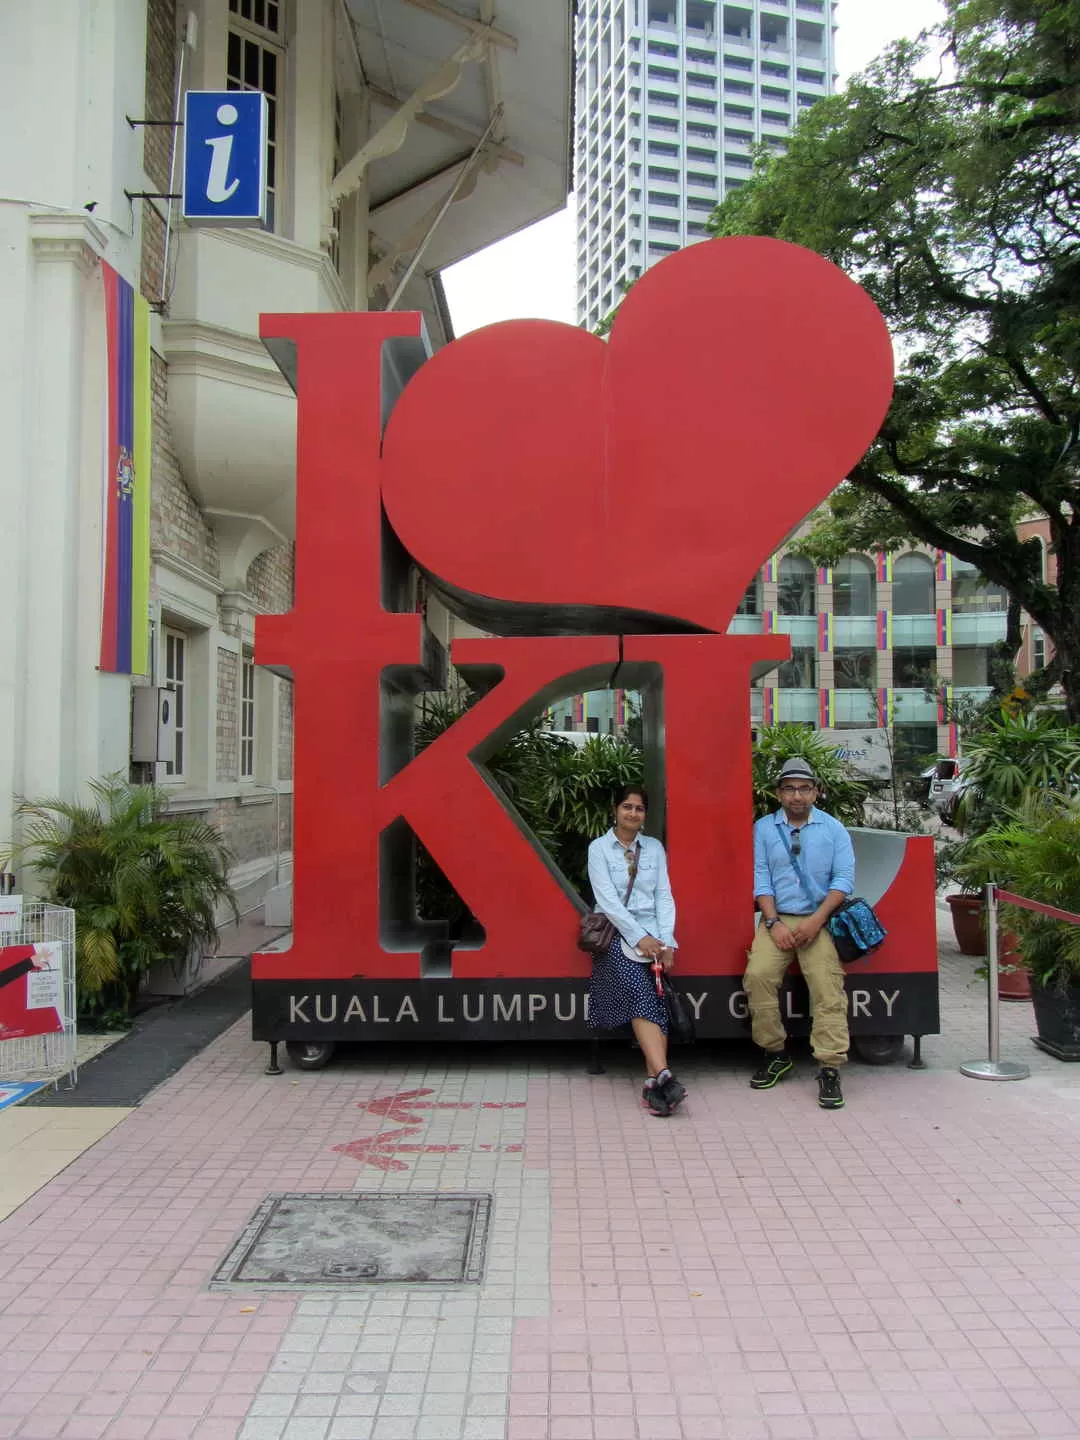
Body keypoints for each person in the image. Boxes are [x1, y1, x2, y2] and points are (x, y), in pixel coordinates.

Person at [745, 756, 855, 1110]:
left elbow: (844, 880)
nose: (797, 795)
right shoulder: (764, 828)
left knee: (827, 987)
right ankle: (775, 1053)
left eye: (804, 788)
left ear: (816, 792)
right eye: (790, 788)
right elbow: (761, 878)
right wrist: (773, 922)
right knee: (758, 976)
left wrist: (816, 920)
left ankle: (829, 1067)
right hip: (777, 920)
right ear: (779, 793)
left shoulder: (833, 829)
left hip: (818, 920)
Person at [586, 784, 686, 1117]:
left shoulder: (654, 848)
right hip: (616, 936)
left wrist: (666, 941)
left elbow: (663, 895)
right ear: (615, 810)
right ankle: (665, 1074)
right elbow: (607, 901)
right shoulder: (599, 849)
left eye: (639, 808)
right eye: (627, 807)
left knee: (655, 1001)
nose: (632, 813)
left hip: (654, 937)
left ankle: (654, 1085)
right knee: (644, 996)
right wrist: (639, 938)